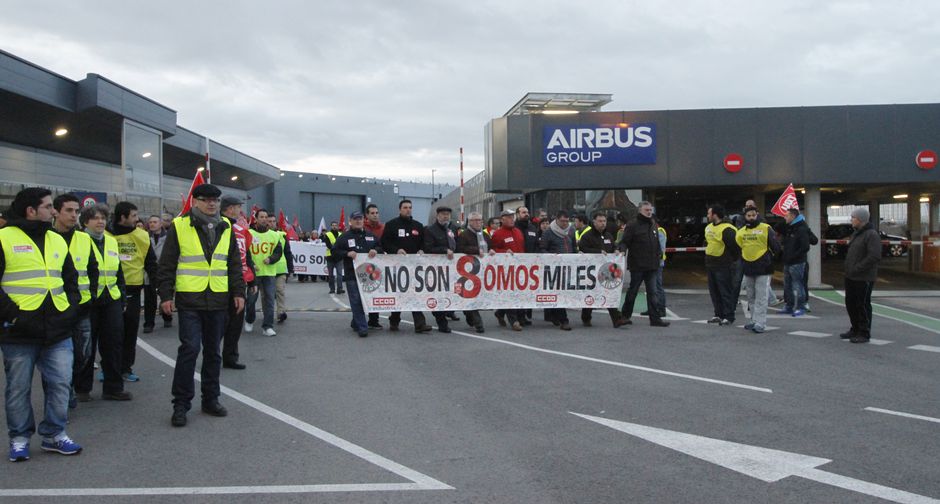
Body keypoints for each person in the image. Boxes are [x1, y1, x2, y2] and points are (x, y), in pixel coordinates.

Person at [1, 187, 83, 461]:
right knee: (18, 389)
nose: (53, 210)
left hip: (57, 329)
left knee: (61, 383)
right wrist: (13, 316)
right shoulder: (3, 238)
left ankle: (54, 434)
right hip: (19, 331)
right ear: (31, 211)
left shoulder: (57, 239)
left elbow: (71, 281)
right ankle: (20, 438)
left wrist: (69, 311)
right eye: (48, 206)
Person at [158, 184, 246, 427]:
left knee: (213, 353)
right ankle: (181, 404)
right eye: (206, 200)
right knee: (189, 349)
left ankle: (211, 399)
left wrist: (238, 291)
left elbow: (233, 263)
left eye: (215, 201)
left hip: (218, 298)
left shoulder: (226, 226)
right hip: (190, 299)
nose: (211, 204)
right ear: (195, 201)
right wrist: (165, 295)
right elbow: (166, 263)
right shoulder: (180, 225)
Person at [52, 194, 104, 408]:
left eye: (76, 211)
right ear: (56, 212)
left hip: (82, 307)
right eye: (69, 211)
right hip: (55, 309)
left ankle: (70, 386)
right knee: (56, 359)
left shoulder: (83, 238)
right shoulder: (46, 237)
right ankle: (61, 398)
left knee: (83, 354)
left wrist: (90, 295)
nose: (74, 215)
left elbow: (93, 270)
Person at [76, 205, 130, 402]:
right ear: (85, 222)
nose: (100, 222)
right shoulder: (77, 240)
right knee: (86, 347)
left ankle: (113, 388)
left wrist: (122, 297)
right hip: (88, 301)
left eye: (103, 218)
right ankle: (82, 388)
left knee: (113, 345)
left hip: (111, 299)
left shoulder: (111, 241)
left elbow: (119, 273)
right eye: (95, 218)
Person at [108, 201, 157, 382]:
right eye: (134, 216)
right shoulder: (105, 235)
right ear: (123, 217)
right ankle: (109, 367)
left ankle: (126, 367)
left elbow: (151, 262)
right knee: (111, 333)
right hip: (109, 290)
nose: (138, 220)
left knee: (130, 331)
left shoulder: (142, 236)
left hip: (133, 289)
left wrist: (157, 285)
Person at [379, 200, 432, 333]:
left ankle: (420, 324)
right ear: (399, 209)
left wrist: (421, 250)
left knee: (415, 294)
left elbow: (423, 243)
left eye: (410, 207)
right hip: (397, 266)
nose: (408, 210)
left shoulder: (418, 226)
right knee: (399, 294)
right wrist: (396, 250)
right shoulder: (392, 225)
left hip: (414, 267)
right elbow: (384, 243)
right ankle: (394, 320)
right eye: (405, 207)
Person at [619, 201, 670, 327]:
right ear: (640, 211)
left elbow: (656, 241)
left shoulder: (652, 224)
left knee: (652, 293)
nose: (649, 212)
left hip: (652, 265)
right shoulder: (632, 225)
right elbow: (624, 241)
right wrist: (621, 251)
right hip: (638, 265)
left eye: (650, 210)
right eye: (646, 210)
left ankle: (655, 319)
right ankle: (625, 316)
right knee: (633, 291)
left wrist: (658, 254)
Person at [331, 211, 381, 337]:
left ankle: (356, 322)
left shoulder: (370, 235)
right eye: (355, 219)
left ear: (363, 220)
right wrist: (346, 254)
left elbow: (381, 246)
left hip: (368, 277)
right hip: (352, 275)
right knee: (356, 300)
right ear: (350, 221)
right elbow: (334, 251)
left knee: (365, 301)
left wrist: (376, 250)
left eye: (360, 219)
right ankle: (363, 327)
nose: (358, 221)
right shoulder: (345, 237)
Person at [220, 196, 255, 369]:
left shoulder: (240, 229)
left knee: (235, 322)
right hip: (220, 282)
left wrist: (252, 277)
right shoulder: (219, 226)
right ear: (229, 208)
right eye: (237, 207)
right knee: (220, 323)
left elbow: (245, 255)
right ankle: (212, 354)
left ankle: (230, 357)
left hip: (239, 280)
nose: (240, 211)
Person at [577, 212, 628, 328]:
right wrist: (597, 252)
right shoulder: (587, 236)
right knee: (591, 294)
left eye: (604, 221)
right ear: (594, 222)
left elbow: (613, 246)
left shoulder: (608, 235)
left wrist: (616, 250)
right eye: (600, 221)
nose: (602, 224)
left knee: (608, 292)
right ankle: (586, 317)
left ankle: (616, 319)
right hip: (591, 271)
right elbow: (583, 249)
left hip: (606, 271)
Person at [736, 207, 781, 333]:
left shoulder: (766, 228)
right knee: (751, 296)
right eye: (748, 215)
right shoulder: (741, 232)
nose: (751, 217)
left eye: (753, 215)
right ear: (745, 216)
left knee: (761, 296)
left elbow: (776, 247)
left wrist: (769, 258)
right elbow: (739, 247)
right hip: (748, 267)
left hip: (763, 267)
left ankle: (760, 323)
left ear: (757, 215)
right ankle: (754, 320)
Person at [842, 208, 881, 344]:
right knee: (850, 303)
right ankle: (855, 328)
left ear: (861, 219)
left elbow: (874, 256)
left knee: (862, 304)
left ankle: (864, 332)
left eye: (853, 217)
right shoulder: (856, 234)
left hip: (863, 277)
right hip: (851, 276)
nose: (851, 220)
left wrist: (858, 268)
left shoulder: (871, 235)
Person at [245, 209, 281, 337]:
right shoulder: (249, 233)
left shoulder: (275, 235)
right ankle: (249, 319)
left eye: (266, 217)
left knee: (270, 300)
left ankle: (267, 326)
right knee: (251, 300)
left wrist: (271, 259)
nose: (264, 219)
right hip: (253, 274)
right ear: (256, 218)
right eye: (261, 217)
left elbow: (278, 252)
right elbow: (245, 252)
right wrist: (251, 264)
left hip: (269, 273)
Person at [455, 212, 493, 333]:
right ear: (470, 222)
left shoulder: (485, 235)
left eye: (480, 220)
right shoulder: (464, 235)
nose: (478, 222)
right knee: (471, 295)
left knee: (476, 295)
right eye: (475, 220)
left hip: (483, 270)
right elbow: (460, 248)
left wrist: (492, 250)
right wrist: (477, 250)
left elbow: (490, 246)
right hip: (468, 271)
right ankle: (478, 323)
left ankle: (469, 314)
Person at [422, 206, 458, 333]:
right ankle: (442, 322)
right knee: (439, 295)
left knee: (452, 292)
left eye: (447, 214)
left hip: (452, 268)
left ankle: (449, 312)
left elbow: (457, 244)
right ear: (437, 216)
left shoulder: (452, 229)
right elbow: (428, 248)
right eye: (443, 214)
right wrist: (444, 250)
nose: (446, 216)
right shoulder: (430, 230)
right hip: (437, 269)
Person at [704, 205, 741, 326]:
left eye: (709, 213)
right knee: (714, 292)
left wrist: (731, 261)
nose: (708, 216)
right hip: (711, 264)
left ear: (715, 214)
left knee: (725, 291)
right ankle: (718, 314)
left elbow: (735, 248)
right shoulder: (708, 228)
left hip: (724, 265)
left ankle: (729, 316)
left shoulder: (728, 229)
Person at [540, 210, 576, 330]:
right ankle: (564, 320)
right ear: (557, 220)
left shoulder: (571, 231)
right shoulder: (548, 233)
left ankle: (554, 316)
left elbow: (573, 247)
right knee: (558, 293)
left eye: (567, 221)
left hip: (568, 267)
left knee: (561, 293)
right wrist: (552, 256)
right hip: (553, 269)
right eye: (562, 221)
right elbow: (542, 249)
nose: (565, 223)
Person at [490, 210, 525, 331]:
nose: (511, 219)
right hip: (505, 270)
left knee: (518, 293)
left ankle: (500, 313)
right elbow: (492, 250)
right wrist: (504, 252)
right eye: (508, 217)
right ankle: (513, 320)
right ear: (502, 219)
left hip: (519, 268)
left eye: (512, 217)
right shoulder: (498, 234)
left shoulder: (518, 232)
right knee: (510, 294)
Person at [143, 214, 172, 333]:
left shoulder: (168, 237)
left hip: (164, 271)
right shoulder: (145, 237)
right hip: (149, 271)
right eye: (150, 222)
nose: (152, 224)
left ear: (160, 224)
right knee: (149, 299)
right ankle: (149, 323)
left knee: (165, 295)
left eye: (155, 222)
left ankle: (167, 316)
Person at [781, 208, 810, 317]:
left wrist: (794, 256)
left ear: (793, 216)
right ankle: (789, 305)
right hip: (788, 261)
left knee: (798, 284)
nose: (785, 217)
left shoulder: (801, 229)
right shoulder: (790, 228)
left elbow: (805, 246)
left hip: (797, 262)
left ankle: (800, 306)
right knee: (787, 285)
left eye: (786, 215)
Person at [265, 213, 293, 324]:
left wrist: (290, 268)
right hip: (266, 268)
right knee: (267, 294)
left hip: (280, 269)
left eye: (273, 221)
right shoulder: (262, 235)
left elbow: (287, 252)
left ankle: (281, 312)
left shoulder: (282, 235)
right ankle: (268, 313)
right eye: (269, 221)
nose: (271, 223)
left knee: (280, 291)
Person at [514, 206, 538, 325]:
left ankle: (521, 314)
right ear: (517, 215)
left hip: (531, 265)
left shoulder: (532, 228)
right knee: (519, 291)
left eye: (527, 212)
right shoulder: (514, 229)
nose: (526, 214)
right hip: (517, 265)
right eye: (523, 212)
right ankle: (518, 316)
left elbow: (537, 244)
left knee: (527, 291)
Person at [364, 204, 384, 329]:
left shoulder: (383, 228)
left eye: (376, 212)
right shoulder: (362, 228)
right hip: (364, 264)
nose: (375, 215)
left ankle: (373, 319)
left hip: (380, 263)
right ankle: (358, 319)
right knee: (364, 291)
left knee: (376, 291)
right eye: (372, 213)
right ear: (367, 215)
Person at [322, 221, 344, 294]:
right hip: (330, 257)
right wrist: (336, 248)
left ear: (337, 226)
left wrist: (335, 247)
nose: (334, 226)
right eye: (333, 225)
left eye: (335, 225)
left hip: (339, 258)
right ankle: (332, 289)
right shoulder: (327, 234)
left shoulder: (341, 234)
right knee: (331, 275)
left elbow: (342, 245)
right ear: (331, 226)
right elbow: (328, 245)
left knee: (339, 274)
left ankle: (339, 289)